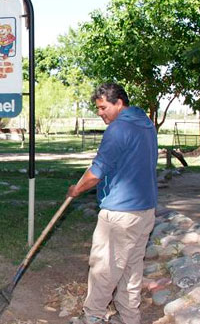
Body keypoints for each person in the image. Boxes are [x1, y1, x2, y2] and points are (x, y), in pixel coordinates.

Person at [68, 83, 158, 324]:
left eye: (103, 107)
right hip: (145, 210)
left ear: (119, 102)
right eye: (98, 108)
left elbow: (97, 172)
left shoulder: (118, 128)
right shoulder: (145, 123)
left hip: (120, 213)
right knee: (131, 270)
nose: (100, 113)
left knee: (104, 268)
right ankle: (129, 318)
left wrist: (76, 189)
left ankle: (93, 316)